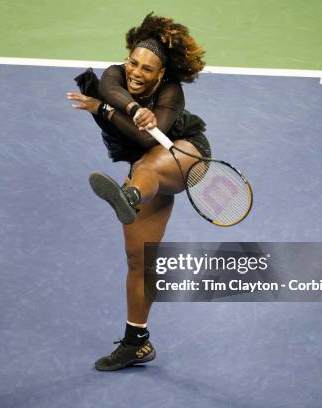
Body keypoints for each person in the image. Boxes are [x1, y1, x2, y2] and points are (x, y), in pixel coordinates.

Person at [67, 13, 210, 371]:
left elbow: (148, 138)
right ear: (128, 57)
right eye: (134, 62)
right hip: (146, 172)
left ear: (160, 74)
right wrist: (127, 108)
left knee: (147, 168)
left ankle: (129, 198)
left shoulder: (171, 92)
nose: (136, 73)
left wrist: (111, 112)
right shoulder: (116, 75)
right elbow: (108, 90)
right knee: (139, 260)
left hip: (184, 155)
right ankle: (137, 343)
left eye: (147, 69)